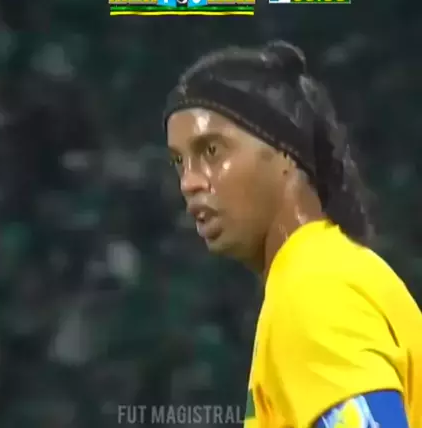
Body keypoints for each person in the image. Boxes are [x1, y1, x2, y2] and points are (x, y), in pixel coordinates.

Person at [163, 40, 422, 428]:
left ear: (284, 150)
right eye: (179, 162)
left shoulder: (312, 290)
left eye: (212, 151)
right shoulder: (339, 267)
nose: (189, 182)